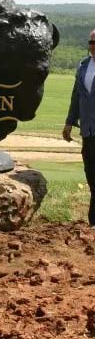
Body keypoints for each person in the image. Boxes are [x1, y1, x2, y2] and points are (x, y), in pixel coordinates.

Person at [63, 29, 95, 225]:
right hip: (88, 130)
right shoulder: (83, 66)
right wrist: (69, 122)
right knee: (90, 172)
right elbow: (76, 96)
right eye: (91, 41)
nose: (93, 45)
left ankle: (93, 219)